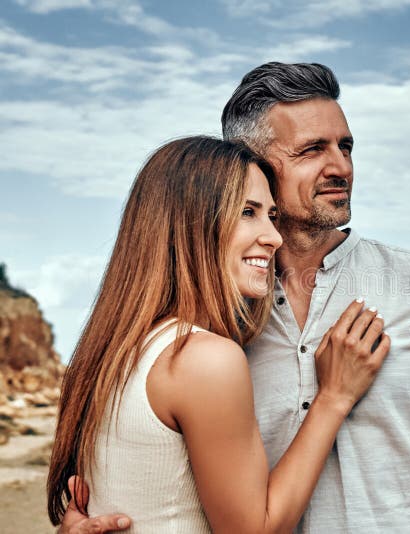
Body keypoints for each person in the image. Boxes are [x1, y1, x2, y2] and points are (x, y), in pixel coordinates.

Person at [61, 62, 410, 533]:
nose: (340, 166)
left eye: (345, 147)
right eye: (312, 150)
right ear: (252, 165)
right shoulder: (212, 323)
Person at [47, 136, 390, 533]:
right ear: (187, 222)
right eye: (248, 212)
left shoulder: (113, 354)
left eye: (272, 216)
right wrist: (334, 397)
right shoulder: (203, 359)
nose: (273, 237)